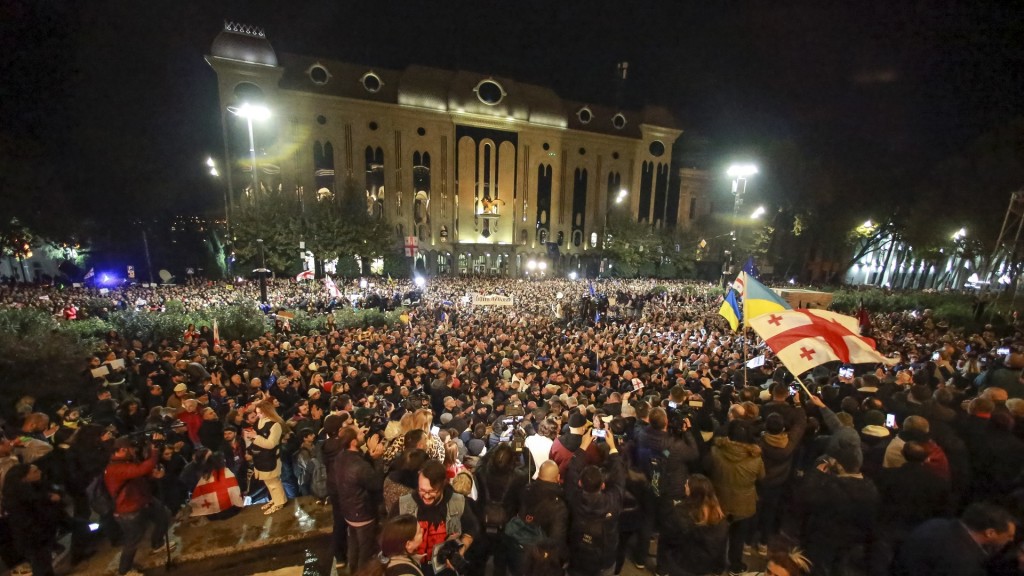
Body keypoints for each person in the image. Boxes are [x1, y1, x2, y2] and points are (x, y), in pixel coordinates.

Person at [104, 437, 175, 576]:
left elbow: (141, 474)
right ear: (123, 450)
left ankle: (157, 543)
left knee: (164, 515)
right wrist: (154, 452)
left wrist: (153, 475)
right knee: (133, 539)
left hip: (144, 499)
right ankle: (124, 570)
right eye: (131, 448)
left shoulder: (126, 461)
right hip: (128, 509)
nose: (134, 451)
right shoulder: (115, 468)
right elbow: (140, 470)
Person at [398, 459, 479, 575]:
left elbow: (472, 528)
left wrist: (461, 550)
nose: (426, 496)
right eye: (422, 490)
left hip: (445, 571)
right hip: (413, 570)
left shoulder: (458, 502)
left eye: (431, 491)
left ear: (443, 485)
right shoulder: (404, 505)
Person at [564, 425, 625, 576]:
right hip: (604, 558)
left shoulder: (573, 497)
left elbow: (572, 471)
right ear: (603, 485)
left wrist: (584, 445)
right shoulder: (613, 501)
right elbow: (619, 478)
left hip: (578, 555)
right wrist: (613, 448)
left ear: (580, 483)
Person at [892, 502, 1017, 576]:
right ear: (990, 533)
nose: (1011, 540)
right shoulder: (967, 566)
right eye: (1009, 535)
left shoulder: (935, 523)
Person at [708, 419, 764, 576]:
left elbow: (707, 469)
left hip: (720, 501)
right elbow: (761, 477)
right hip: (744, 503)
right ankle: (735, 565)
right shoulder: (755, 458)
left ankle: (717, 565)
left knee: (719, 535)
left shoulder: (715, 451)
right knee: (738, 537)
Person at [334, 425, 387, 572]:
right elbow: (376, 483)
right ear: (352, 442)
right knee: (366, 549)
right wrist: (378, 459)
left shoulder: (342, 456)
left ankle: (352, 570)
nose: (363, 434)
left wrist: (370, 455)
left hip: (349, 511)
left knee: (354, 544)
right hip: (363, 513)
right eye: (359, 434)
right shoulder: (359, 466)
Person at [657, 474, 728, 576]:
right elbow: (722, 546)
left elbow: (668, 539)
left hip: (682, 565)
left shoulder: (681, 513)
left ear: (691, 491)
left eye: (687, 484)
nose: (685, 486)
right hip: (706, 567)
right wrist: (718, 569)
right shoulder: (719, 517)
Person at [2, 463, 65, 576]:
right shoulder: (22, 496)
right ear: (24, 477)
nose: (40, 472)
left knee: (44, 564)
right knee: (41, 566)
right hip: (33, 536)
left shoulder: (28, 490)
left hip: (36, 535)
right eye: (35, 471)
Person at [245, 399, 288, 514]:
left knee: (274, 482)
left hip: (271, 457)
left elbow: (271, 444)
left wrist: (255, 437)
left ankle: (280, 502)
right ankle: (275, 499)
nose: (258, 415)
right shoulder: (259, 422)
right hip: (260, 457)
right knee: (268, 482)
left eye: (260, 413)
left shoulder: (275, 425)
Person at [354, 514, 425, 576]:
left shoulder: (385, 557)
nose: (422, 530)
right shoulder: (406, 573)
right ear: (408, 544)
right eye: (419, 532)